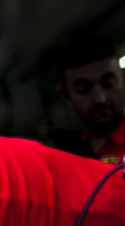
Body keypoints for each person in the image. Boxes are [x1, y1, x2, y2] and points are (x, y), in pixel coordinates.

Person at [52, 34, 125, 163]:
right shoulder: (64, 157)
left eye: (108, 83)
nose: (100, 99)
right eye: (83, 89)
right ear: (66, 95)